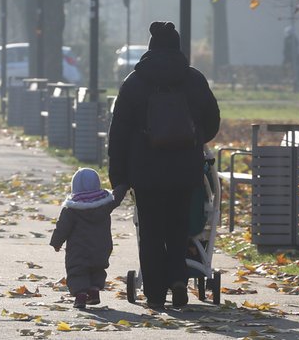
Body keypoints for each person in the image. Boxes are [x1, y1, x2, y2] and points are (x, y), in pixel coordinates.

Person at [107, 21, 220, 309]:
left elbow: (118, 134)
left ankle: (155, 294)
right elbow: (212, 122)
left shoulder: (134, 83)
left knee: (151, 231)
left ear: (151, 48)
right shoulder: (194, 79)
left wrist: (119, 178)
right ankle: (179, 280)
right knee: (178, 227)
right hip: (184, 169)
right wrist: (192, 139)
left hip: (146, 171)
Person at [50, 168, 122, 309]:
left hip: (78, 249)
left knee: (77, 271)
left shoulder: (71, 208)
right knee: (98, 269)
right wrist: (124, 184)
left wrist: (56, 243)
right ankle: (94, 292)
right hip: (102, 247)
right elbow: (117, 197)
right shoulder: (106, 203)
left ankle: (80, 296)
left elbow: (62, 227)